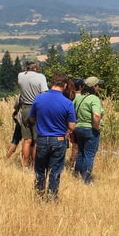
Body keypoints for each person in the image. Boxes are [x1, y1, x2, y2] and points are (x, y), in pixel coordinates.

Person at [28, 72, 77, 200]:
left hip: (42, 139)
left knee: (40, 170)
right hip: (59, 139)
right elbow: (72, 126)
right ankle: (52, 196)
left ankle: (39, 196)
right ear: (65, 85)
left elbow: (31, 119)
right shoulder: (67, 103)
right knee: (55, 171)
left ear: (52, 83)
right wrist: (66, 132)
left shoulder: (39, 98)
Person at [16, 61, 48, 169]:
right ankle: (35, 165)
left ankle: (25, 165)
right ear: (36, 66)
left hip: (24, 108)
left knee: (27, 139)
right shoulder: (41, 77)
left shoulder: (20, 76)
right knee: (36, 139)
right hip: (36, 108)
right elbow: (44, 94)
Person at [73, 77, 105, 184]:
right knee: (89, 154)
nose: (99, 87)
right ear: (93, 87)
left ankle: (77, 175)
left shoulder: (78, 98)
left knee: (80, 153)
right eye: (97, 85)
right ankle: (86, 180)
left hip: (78, 128)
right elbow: (96, 115)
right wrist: (97, 127)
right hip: (90, 129)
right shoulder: (94, 99)